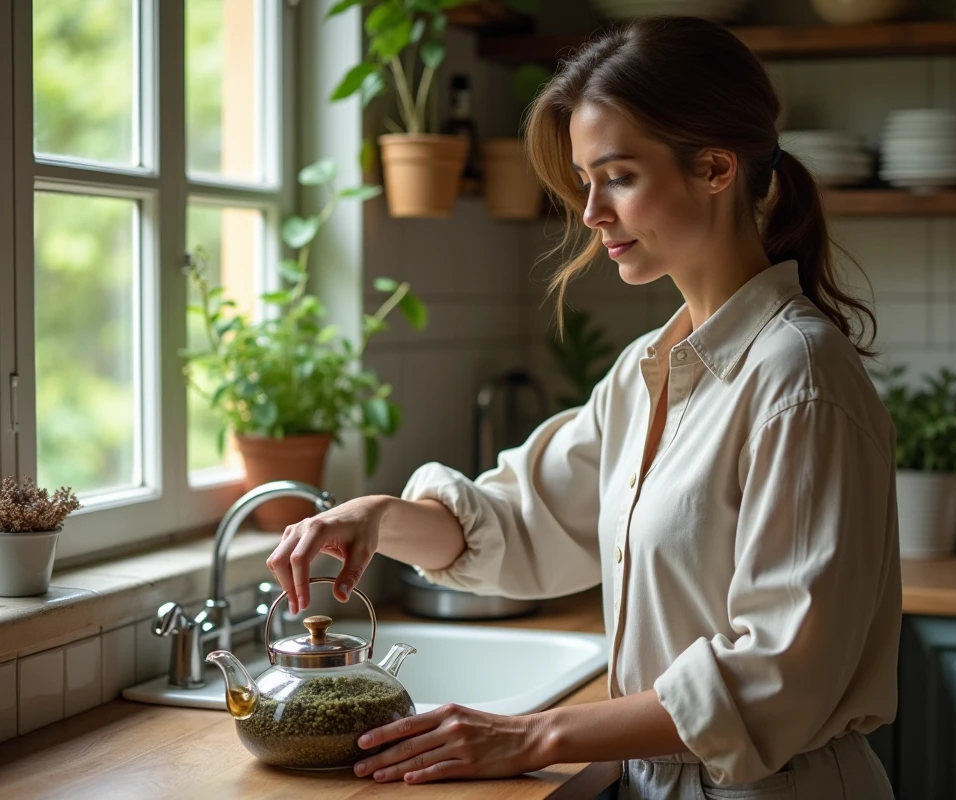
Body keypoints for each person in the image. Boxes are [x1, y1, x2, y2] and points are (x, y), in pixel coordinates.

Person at [269, 15, 900, 799]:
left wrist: (535, 734)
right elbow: (527, 524)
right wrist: (375, 516)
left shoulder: (798, 377)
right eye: (585, 179)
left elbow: (778, 670)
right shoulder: (648, 371)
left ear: (714, 169)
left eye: (619, 176)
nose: (591, 210)